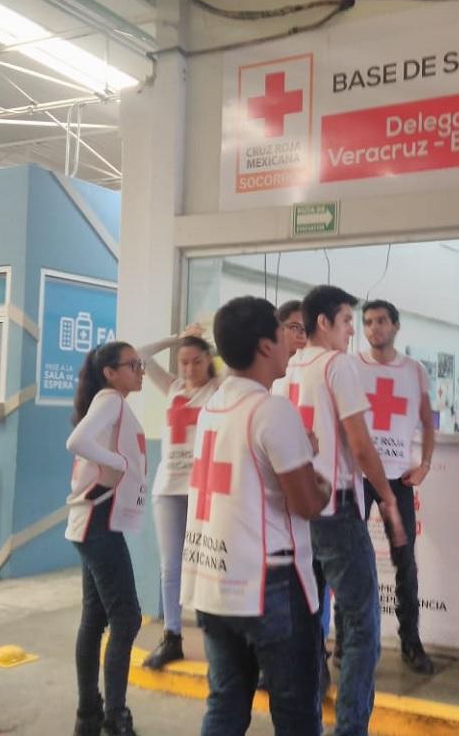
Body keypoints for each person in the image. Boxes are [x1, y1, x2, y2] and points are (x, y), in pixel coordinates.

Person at [181, 296, 330, 735]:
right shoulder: (271, 409)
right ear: (266, 345)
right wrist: (317, 476)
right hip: (270, 586)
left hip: (214, 580)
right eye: (285, 331)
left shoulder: (212, 406)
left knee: (226, 706)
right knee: (297, 714)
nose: (292, 339)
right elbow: (306, 503)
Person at [274, 284, 407, 736]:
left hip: (297, 516)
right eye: (348, 320)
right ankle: (351, 728)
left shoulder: (289, 368)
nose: (354, 330)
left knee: (309, 625)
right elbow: (361, 444)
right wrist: (387, 497)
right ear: (324, 323)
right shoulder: (337, 365)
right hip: (336, 512)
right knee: (361, 628)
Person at [65, 342, 148, 736]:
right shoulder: (111, 399)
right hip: (98, 521)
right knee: (126, 617)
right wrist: (120, 463)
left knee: (95, 619)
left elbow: (136, 352)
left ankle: (88, 715)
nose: (141, 370)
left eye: (141, 364)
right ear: (111, 372)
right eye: (134, 366)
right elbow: (77, 441)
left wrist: (174, 340)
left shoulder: (110, 395)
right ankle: (116, 717)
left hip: (91, 521)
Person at [353, 299, 435, 674]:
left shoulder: (414, 370)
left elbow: (427, 421)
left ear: (396, 326)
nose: (374, 328)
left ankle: (411, 643)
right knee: (350, 561)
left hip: (398, 477)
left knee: (405, 562)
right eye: (368, 322)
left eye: (382, 321)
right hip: (357, 477)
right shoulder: (351, 366)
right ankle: (347, 646)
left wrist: (425, 465)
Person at [137, 328, 221, 670]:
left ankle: (214, 633)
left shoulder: (217, 390)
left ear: (208, 361)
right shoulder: (171, 388)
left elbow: (230, 358)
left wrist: (209, 343)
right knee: (170, 566)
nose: (189, 369)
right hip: (168, 488)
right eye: (183, 362)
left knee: (205, 563)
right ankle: (172, 635)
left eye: (197, 361)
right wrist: (177, 337)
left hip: (204, 488)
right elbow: (140, 351)